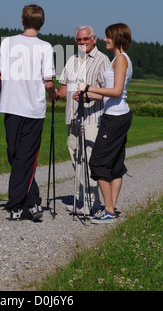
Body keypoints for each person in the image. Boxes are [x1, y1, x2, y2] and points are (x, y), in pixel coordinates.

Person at [0, 4, 56, 221]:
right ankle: (33, 200)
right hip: (28, 108)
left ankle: (15, 205)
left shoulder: (9, 43)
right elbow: (48, 82)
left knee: (19, 155)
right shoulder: (42, 47)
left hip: (17, 107)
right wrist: (53, 95)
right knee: (20, 157)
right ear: (42, 22)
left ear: (22, 20)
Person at [78, 23, 133, 224]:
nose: (105, 39)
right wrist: (88, 95)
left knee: (98, 162)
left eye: (108, 36)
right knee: (116, 164)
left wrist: (89, 87)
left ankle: (108, 210)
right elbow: (113, 94)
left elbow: (117, 91)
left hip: (115, 118)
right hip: (118, 114)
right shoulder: (118, 59)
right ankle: (110, 210)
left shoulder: (120, 60)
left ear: (117, 38)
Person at [57, 25, 110, 214]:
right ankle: (80, 199)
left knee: (89, 159)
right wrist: (52, 93)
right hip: (72, 118)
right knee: (76, 158)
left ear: (94, 39)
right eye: (79, 40)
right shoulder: (72, 60)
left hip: (91, 119)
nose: (82, 43)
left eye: (85, 39)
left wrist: (88, 96)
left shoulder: (102, 61)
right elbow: (63, 88)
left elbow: (109, 93)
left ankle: (91, 202)